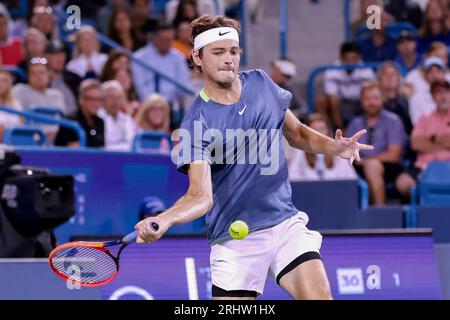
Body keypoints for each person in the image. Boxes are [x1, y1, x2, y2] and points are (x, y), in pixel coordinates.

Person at [135, 15, 373, 300]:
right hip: (236, 241)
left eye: (233, 51)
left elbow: (296, 133)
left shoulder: (261, 83)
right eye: (218, 52)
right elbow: (200, 196)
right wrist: (165, 219)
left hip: (285, 224)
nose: (228, 60)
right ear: (197, 58)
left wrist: (335, 147)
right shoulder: (195, 125)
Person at [348, 81, 407, 205]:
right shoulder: (355, 124)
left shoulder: (393, 121)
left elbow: (393, 155)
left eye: (375, 98)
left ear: (382, 99)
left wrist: (368, 161)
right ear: (361, 101)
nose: (371, 102)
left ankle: (380, 212)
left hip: (389, 167)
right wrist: (361, 162)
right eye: (367, 98)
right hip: (358, 165)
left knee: (372, 166)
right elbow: (348, 151)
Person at [397, 79, 450, 198]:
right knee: (402, 183)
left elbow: (423, 142)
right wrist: (444, 141)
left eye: (446, 92)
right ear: (432, 97)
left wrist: (431, 139)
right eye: (438, 92)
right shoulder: (424, 118)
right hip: (425, 165)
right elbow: (416, 144)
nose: (442, 96)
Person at [317, 42, 375, 129]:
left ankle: (368, 129)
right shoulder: (332, 71)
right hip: (340, 104)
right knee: (320, 101)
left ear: (359, 58)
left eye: (353, 59)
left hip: (359, 102)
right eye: (347, 59)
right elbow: (332, 97)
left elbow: (371, 92)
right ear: (341, 58)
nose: (350, 62)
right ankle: (332, 132)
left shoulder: (366, 70)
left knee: (372, 98)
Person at [284, 113, 357, 181]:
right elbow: (293, 178)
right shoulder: (300, 151)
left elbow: (350, 179)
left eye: (322, 129)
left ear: (328, 130)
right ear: (307, 134)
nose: (319, 133)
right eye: (314, 130)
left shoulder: (338, 149)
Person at [132, 23, 190, 104]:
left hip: (173, 104)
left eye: (171, 39)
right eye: (166, 39)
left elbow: (183, 84)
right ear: (155, 39)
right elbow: (141, 88)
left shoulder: (178, 56)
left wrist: (166, 102)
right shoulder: (139, 58)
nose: (170, 43)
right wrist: (156, 103)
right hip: (148, 104)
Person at [54, 79, 105, 148]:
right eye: (91, 99)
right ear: (81, 99)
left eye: (98, 99)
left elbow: (101, 147)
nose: (95, 103)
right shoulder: (69, 122)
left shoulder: (100, 122)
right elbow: (65, 149)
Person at [45, 39, 82, 115]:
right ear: (46, 57)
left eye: (62, 55)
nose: (59, 58)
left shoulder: (75, 78)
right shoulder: (41, 80)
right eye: (55, 55)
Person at [98, 80, 136, 151]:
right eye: (111, 97)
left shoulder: (127, 119)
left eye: (118, 98)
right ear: (102, 99)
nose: (115, 101)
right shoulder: (97, 118)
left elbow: (132, 142)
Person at [0, 70, 23, 140]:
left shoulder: (16, 105)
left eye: (4, 81)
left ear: (9, 84)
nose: (0, 84)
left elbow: (21, 125)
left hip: (13, 141)